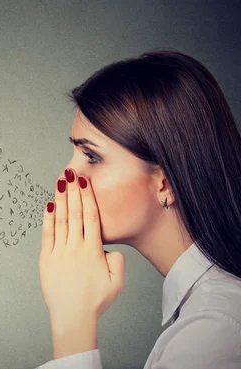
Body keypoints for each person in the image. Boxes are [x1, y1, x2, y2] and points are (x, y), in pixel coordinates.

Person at [36, 49, 241, 369]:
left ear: (165, 184)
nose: (66, 176)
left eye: (92, 157)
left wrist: (72, 322)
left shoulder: (216, 330)